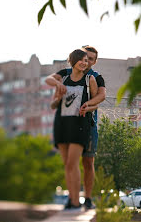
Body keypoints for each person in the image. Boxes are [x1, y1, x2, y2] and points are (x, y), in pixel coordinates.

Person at [46, 46, 106, 210]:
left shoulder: (94, 77)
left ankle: (86, 198)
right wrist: (58, 93)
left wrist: (89, 105)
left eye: (90, 59)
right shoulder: (65, 74)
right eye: (84, 58)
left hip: (87, 123)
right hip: (65, 124)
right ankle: (73, 199)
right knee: (69, 164)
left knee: (87, 161)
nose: (87, 62)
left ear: (94, 61)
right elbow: (52, 89)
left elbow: (101, 96)